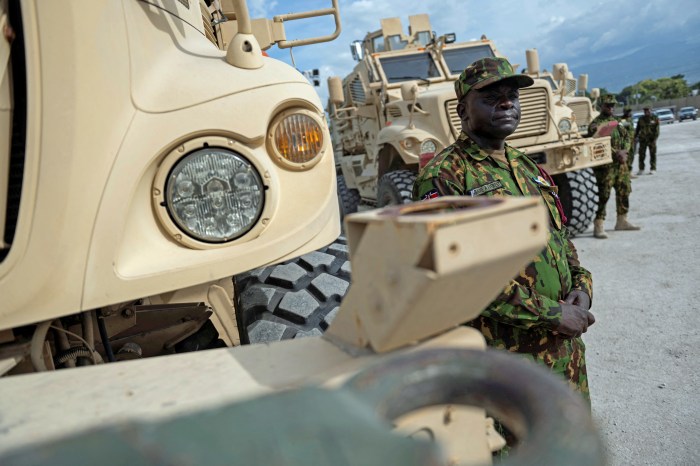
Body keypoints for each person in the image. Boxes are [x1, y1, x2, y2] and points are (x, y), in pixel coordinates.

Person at [412, 57, 595, 401]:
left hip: (564, 355)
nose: (507, 102)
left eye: (512, 95)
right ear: (462, 110)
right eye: (491, 97)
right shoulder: (443, 176)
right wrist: (553, 314)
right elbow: (455, 275)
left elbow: (559, 240)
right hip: (506, 362)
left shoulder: (527, 167)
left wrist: (582, 287)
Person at [587, 95, 641, 239]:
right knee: (603, 195)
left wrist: (625, 151)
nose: (611, 108)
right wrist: (615, 153)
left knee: (624, 190)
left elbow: (627, 138)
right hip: (605, 168)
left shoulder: (617, 122)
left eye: (613, 105)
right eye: (608, 105)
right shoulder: (595, 125)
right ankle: (599, 225)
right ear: (601, 106)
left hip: (620, 165)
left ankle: (622, 221)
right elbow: (597, 143)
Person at [635, 106, 660, 175]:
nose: (646, 112)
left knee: (653, 154)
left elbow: (657, 130)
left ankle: (653, 168)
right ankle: (641, 169)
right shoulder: (641, 119)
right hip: (643, 140)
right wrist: (635, 137)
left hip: (651, 140)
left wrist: (655, 139)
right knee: (641, 155)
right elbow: (637, 129)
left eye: (648, 110)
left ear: (651, 110)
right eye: (645, 111)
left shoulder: (655, 118)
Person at [620, 107, 637, 176]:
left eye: (630, 111)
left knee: (632, 156)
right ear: (625, 112)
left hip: (632, 141)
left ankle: (629, 172)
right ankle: (626, 173)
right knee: (627, 157)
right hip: (626, 142)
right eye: (628, 112)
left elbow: (632, 129)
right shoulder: (622, 120)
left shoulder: (630, 119)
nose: (629, 113)